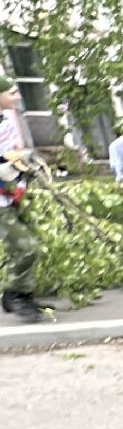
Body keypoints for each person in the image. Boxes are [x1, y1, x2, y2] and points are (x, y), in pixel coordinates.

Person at [0, 75, 47, 322]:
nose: (17, 97)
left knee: (22, 247)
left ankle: (19, 295)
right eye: (11, 92)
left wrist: (23, 161)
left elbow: (10, 152)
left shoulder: (6, 121)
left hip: (12, 194)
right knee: (26, 247)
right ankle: (16, 294)